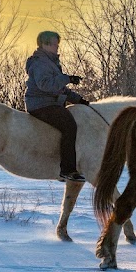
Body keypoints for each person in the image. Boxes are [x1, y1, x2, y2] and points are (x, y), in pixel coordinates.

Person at [25, 31, 89, 182]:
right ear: (45, 44)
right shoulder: (40, 62)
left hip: (50, 103)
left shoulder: (51, 62)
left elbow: (60, 89)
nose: (57, 46)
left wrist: (79, 100)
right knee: (69, 126)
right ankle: (67, 170)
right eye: (54, 44)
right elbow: (45, 85)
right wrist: (67, 78)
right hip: (41, 104)